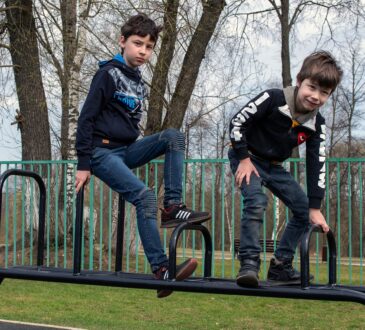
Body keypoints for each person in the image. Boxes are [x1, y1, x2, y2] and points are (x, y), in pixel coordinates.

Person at [75, 13, 211, 298]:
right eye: (138, 44)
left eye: (149, 47)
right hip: (101, 152)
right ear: (122, 42)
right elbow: (86, 119)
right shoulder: (107, 74)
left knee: (173, 135)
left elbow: (128, 122)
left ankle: (173, 206)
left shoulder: (138, 82)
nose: (143, 52)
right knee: (145, 196)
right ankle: (162, 270)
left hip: (126, 149)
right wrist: (84, 164)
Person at [228, 51, 343, 287]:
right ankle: (249, 263)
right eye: (312, 87)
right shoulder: (273, 98)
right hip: (247, 158)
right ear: (300, 81)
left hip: (275, 167)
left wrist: (315, 206)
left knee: (303, 211)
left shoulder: (316, 124)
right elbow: (238, 121)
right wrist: (243, 157)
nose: (315, 97)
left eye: (324, 93)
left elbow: (317, 163)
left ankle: (281, 265)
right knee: (256, 201)